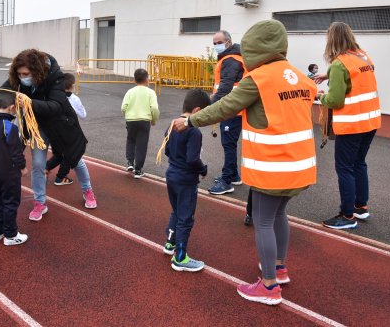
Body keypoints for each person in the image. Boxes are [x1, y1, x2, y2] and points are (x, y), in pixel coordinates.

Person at [172, 20, 317, 305]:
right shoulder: (299, 76)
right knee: (279, 216)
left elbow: (226, 106)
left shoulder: (259, 78)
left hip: (273, 165)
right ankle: (279, 268)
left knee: (263, 221)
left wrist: (191, 120)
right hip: (299, 164)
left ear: (255, 47)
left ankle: (269, 286)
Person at [0, 49, 97, 221]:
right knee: (38, 164)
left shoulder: (55, 77)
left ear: (37, 71)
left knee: (75, 159)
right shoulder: (18, 78)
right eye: (19, 74)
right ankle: (39, 202)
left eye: (26, 74)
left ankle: (87, 190)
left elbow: (56, 106)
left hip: (60, 125)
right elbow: (6, 95)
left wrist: (31, 103)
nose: (23, 77)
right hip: (37, 126)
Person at [315, 22, 381, 230]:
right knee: (359, 164)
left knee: (344, 168)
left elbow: (335, 100)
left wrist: (320, 96)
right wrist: (329, 75)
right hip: (371, 121)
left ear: (331, 40)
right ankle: (360, 207)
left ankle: (347, 216)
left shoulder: (338, 64)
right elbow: (354, 77)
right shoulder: (363, 56)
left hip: (352, 125)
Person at [163, 89, 210, 272]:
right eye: (205, 114)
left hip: (171, 174)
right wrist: (203, 169)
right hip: (185, 179)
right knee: (186, 217)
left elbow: (167, 150)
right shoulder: (194, 132)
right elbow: (192, 159)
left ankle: (170, 243)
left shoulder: (172, 124)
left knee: (176, 211)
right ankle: (180, 258)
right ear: (198, 110)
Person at [0, 90, 28, 246]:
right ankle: (10, 235)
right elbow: (15, 151)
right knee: (10, 202)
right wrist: (22, 167)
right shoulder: (10, 127)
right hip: (9, 173)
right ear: (11, 108)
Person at [209, 30, 246, 195]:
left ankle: (227, 181)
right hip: (233, 107)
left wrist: (211, 105)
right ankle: (234, 175)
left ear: (228, 42)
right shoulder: (233, 57)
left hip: (231, 108)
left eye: (219, 42)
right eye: (214, 43)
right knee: (230, 143)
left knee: (228, 144)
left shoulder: (230, 59)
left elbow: (225, 86)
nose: (216, 46)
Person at [45, 72, 86, 186]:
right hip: (69, 132)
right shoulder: (74, 99)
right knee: (70, 154)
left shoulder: (52, 96)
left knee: (58, 153)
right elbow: (83, 115)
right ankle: (60, 177)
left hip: (54, 130)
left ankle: (46, 169)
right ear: (72, 85)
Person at [121, 68, 160, 178]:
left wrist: (127, 116)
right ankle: (138, 170)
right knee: (141, 144)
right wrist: (154, 120)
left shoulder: (130, 92)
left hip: (131, 120)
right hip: (144, 120)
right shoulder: (151, 92)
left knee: (131, 139)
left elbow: (123, 107)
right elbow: (155, 109)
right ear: (147, 79)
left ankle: (130, 163)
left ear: (134, 80)